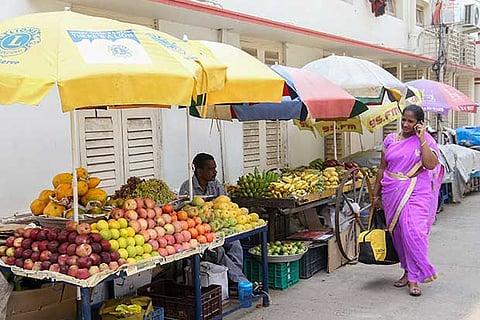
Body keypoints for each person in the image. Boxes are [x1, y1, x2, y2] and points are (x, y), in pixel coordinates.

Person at [372, 105, 444, 297]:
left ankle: (415, 277)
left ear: (419, 123)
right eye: (403, 119)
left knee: (413, 230)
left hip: (416, 191)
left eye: (410, 121)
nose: (405, 124)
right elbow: (382, 168)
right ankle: (407, 272)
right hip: (392, 191)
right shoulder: (390, 140)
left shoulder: (427, 140)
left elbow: (430, 164)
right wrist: (375, 194)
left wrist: (421, 139)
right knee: (399, 233)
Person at [179, 153, 248, 284]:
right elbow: (184, 212)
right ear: (199, 171)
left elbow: (227, 203)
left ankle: (232, 278)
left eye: (215, 168)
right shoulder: (187, 188)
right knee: (218, 249)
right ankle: (240, 281)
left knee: (235, 244)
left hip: (220, 225)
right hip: (199, 230)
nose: (215, 172)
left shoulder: (215, 185)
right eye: (211, 169)